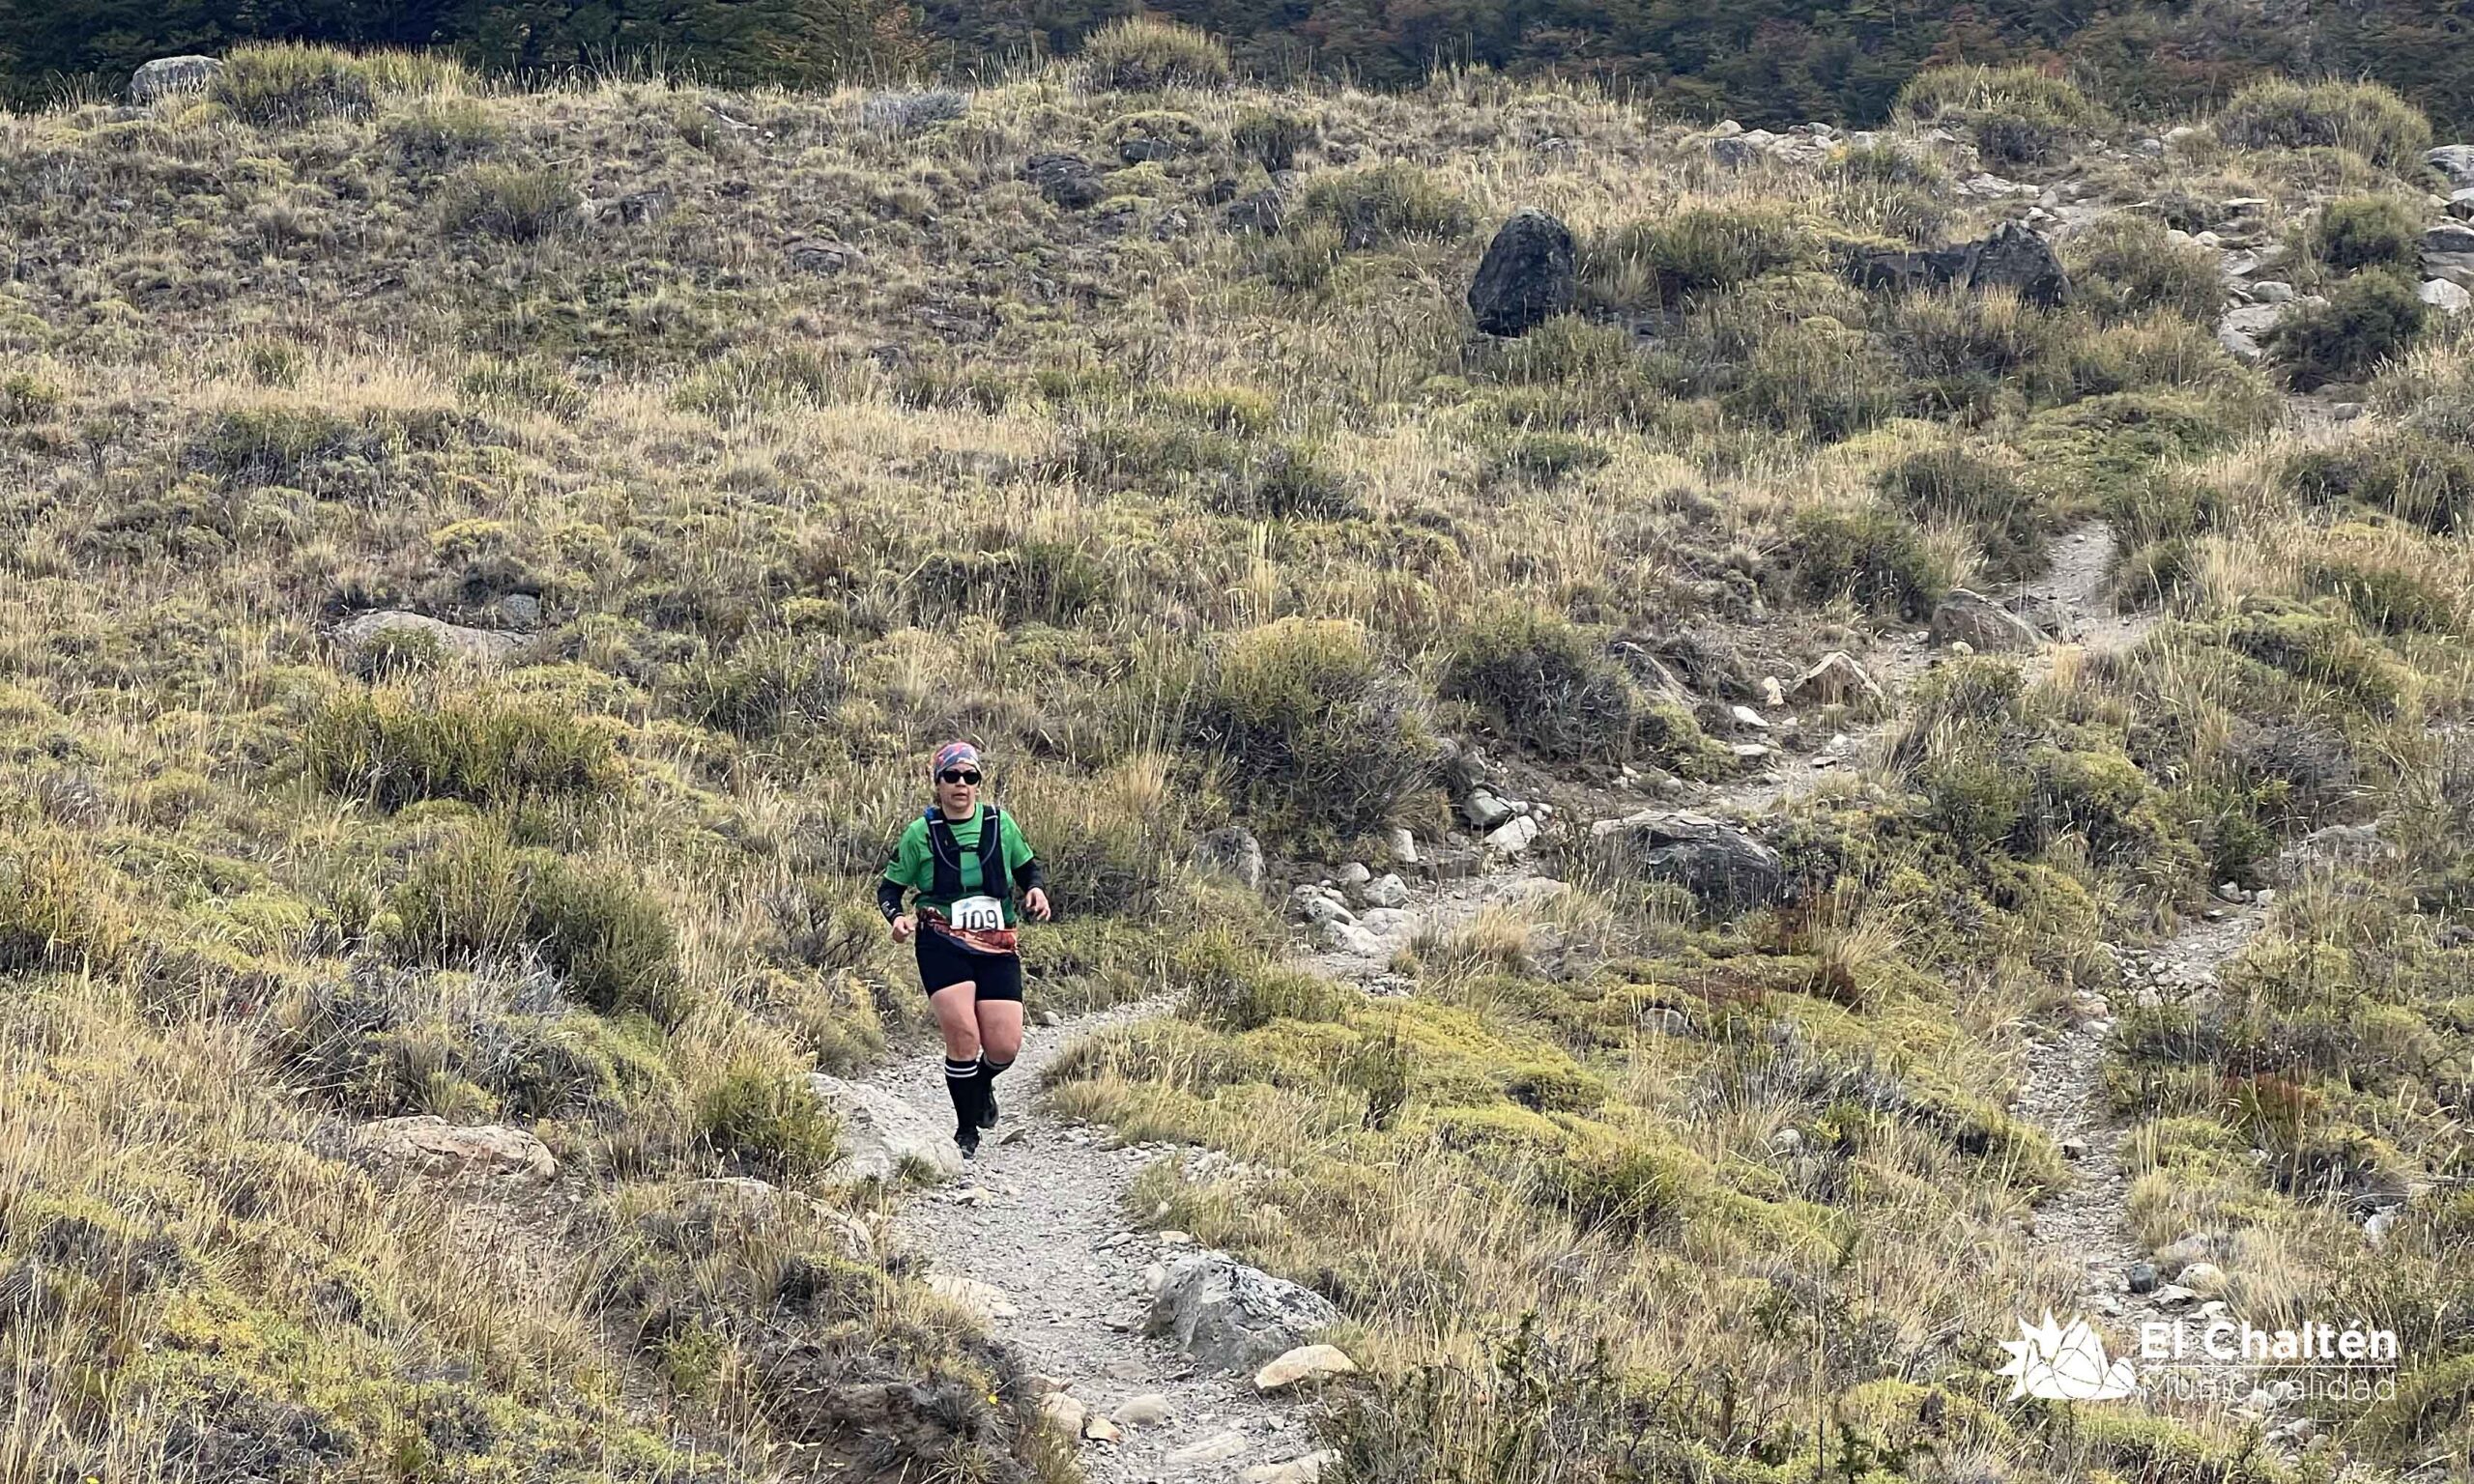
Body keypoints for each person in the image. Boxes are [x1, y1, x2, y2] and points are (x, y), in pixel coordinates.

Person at [877, 741, 1051, 1156]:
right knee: (964, 1037)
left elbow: (1028, 867)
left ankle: (980, 1082)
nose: (960, 784)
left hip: (996, 941)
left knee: (1004, 1046)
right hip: (941, 941)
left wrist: (1036, 890)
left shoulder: (999, 824)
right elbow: (889, 889)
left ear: (978, 783)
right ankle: (966, 1130)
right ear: (937, 783)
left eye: (969, 777)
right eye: (951, 776)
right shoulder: (920, 834)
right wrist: (897, 919)